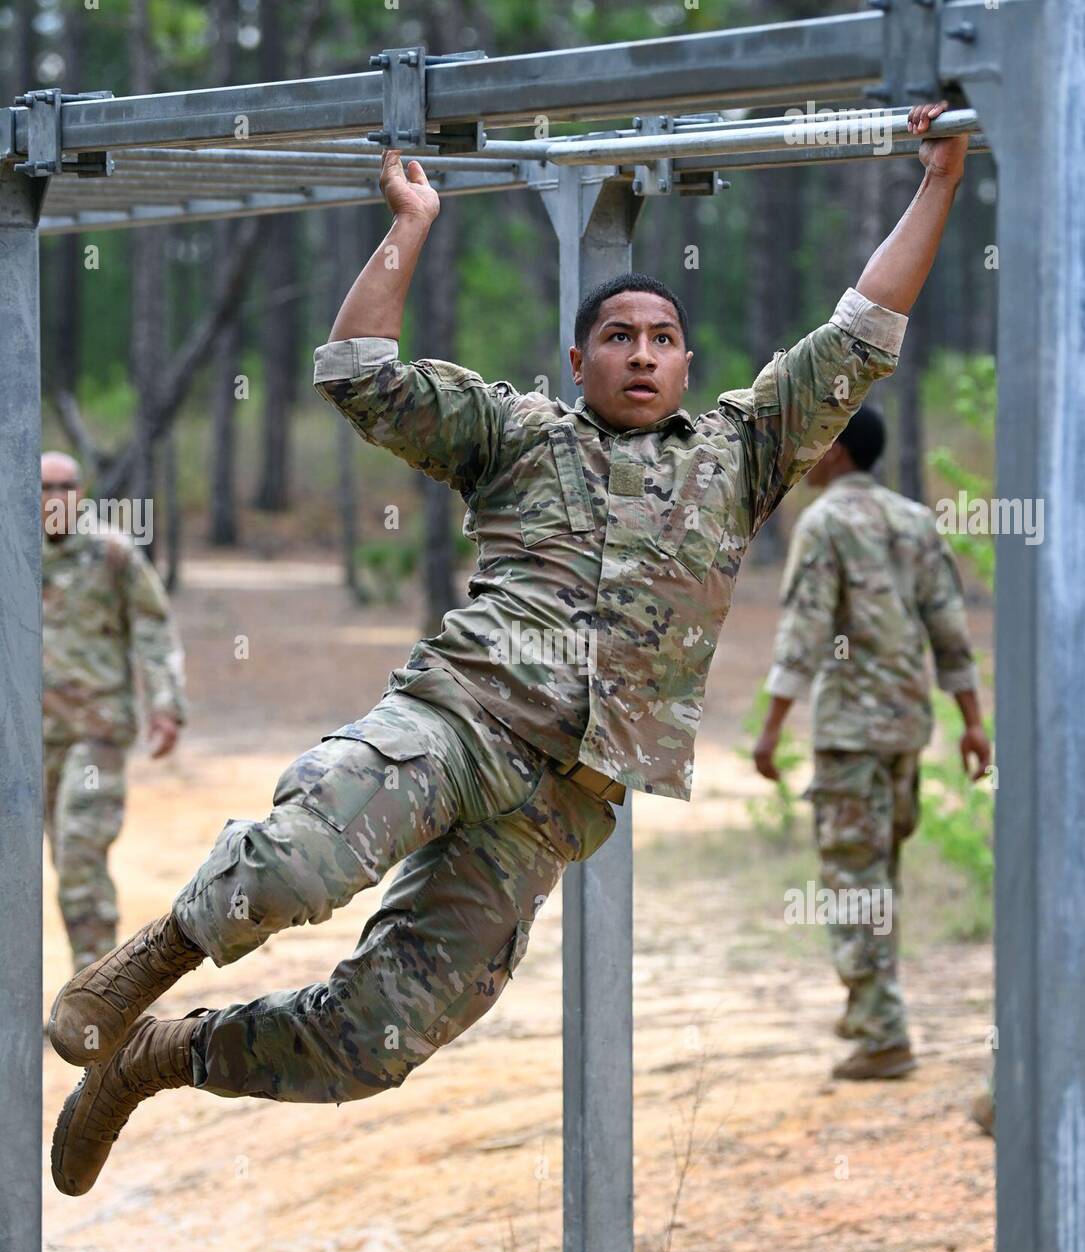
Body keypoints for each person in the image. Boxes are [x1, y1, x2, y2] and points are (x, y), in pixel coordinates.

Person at [50, 102, 969, 1196]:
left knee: (376, 1037)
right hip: (458, 721)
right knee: (299, 858)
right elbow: (355, 370)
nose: (640, 354)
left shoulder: (742, 453)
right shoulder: (520, 435)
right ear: (577, 360)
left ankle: (163, 1056)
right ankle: (148, 963)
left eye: (661, 339)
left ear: (686, 363)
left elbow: (862, 328)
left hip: (560, 799)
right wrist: (411, 223)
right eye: (617, 338)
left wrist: (939, 182)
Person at [752, 406, 991, 1081]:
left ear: (836, 452)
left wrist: (770, 729)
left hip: (850, 736)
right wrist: (971, 722)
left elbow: (803, 632)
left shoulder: (823, 522)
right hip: (905, 729)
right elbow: (949, 628)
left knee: (853, 881)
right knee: (878, 874)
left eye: (814, 443)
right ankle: (869, 1010)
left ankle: (882, 1031)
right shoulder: (913, 520)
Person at [41, 450, 186, 974]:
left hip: (95, 732)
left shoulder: (111, 553)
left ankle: (94, 999)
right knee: (50, 861)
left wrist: (166, 706)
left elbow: (153, 628)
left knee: (80, 853)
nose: (55, 498)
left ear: (80, 492)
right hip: (27, 741)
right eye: (44, 487)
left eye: (66, 486)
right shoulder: (16, 551)